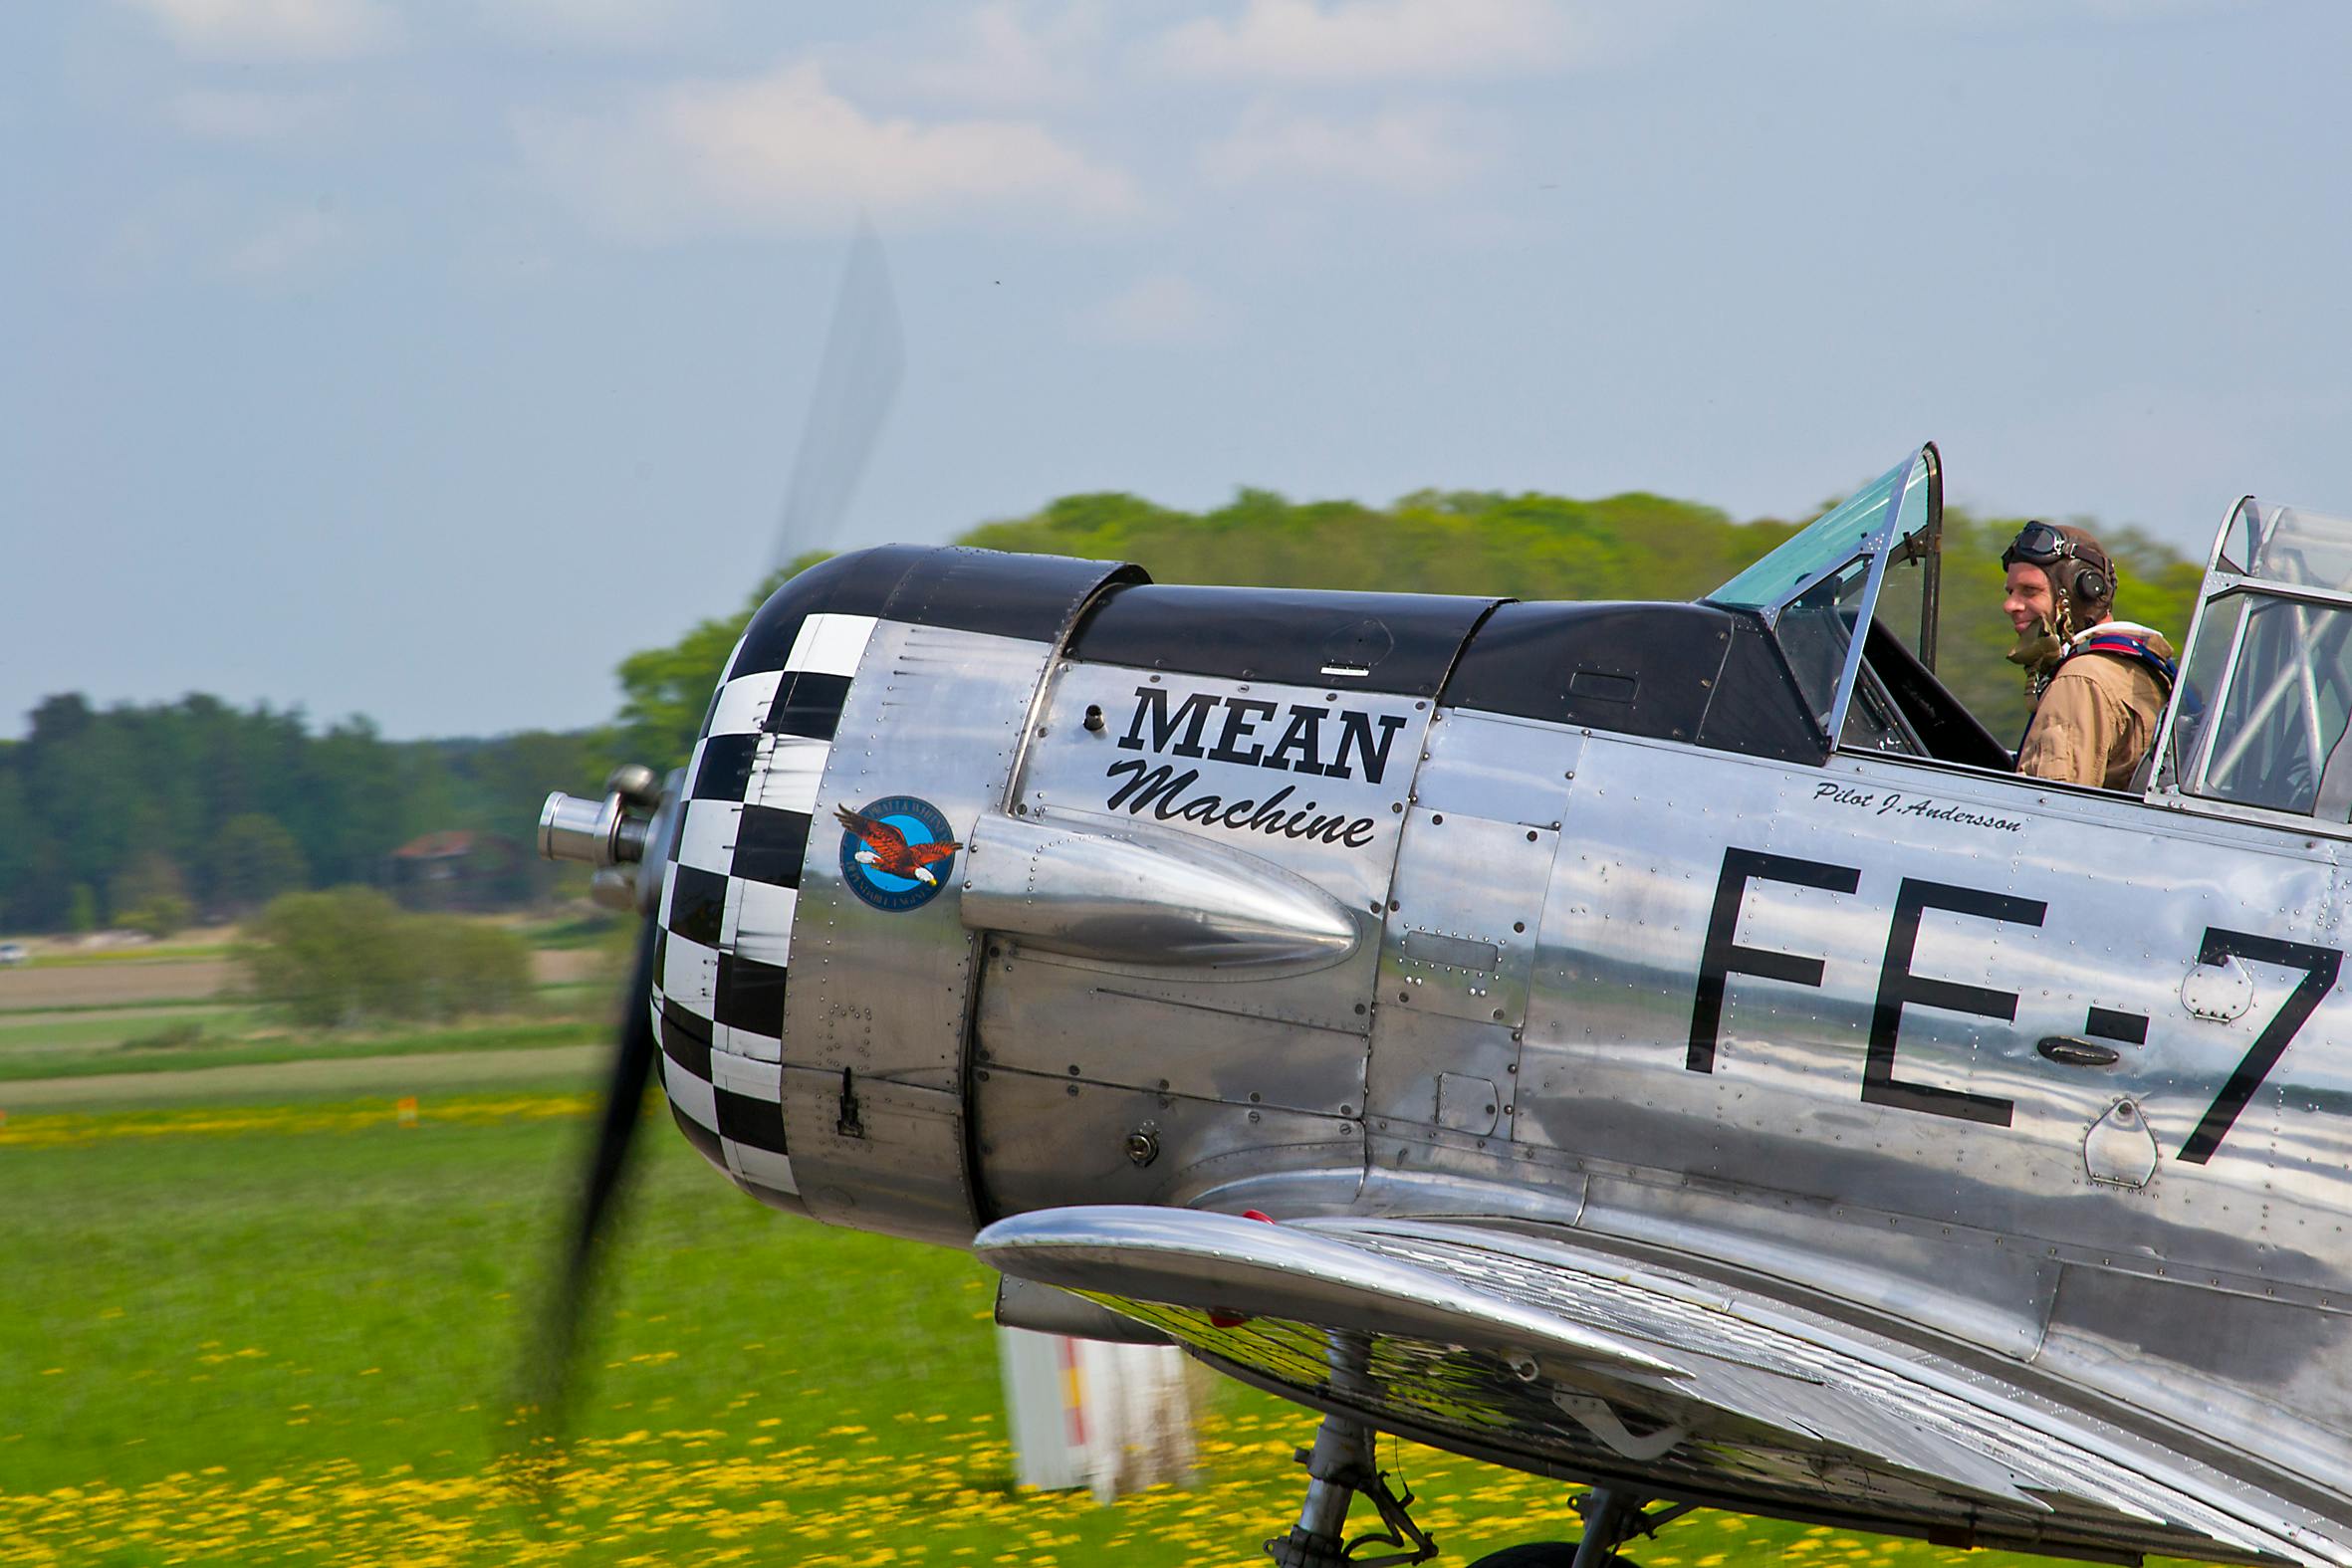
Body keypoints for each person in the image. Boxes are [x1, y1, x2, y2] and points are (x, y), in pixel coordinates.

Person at [2001, 521, 2178, 788]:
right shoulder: (2145, 668)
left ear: (2076, 594)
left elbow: (2047, 807)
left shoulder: (2080, 680)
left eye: (2030, 591)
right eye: (2011, 592)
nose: (2010, 605)